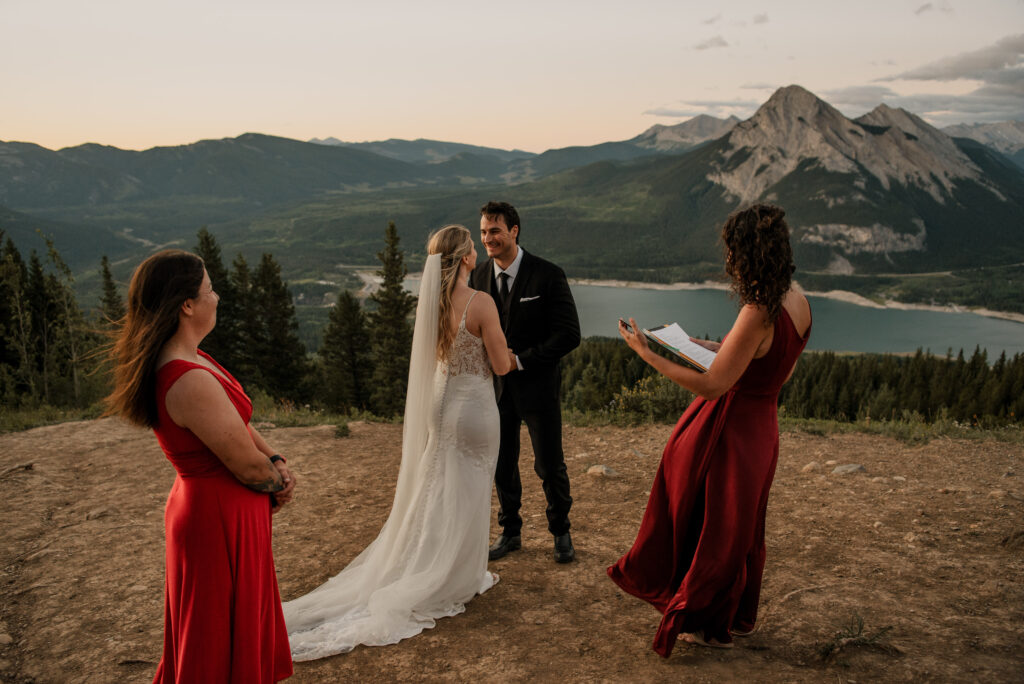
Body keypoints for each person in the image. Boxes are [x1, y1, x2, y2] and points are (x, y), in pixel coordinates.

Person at [283, 224, 513, 661]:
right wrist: (519, 356)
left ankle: (436, 562)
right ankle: (457, 574)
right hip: (474, 409)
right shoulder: (480, 302)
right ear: (466, 258)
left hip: (441, 406)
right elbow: (500, 366)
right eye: (472, 248)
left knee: (439, 487)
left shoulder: (433, 303)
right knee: (470, 487)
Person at [608, 204, 811, 657]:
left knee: (712, 525)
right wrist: (699, 345)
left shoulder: (759, 310)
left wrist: (647, 354)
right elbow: (766, 362)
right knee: (739, 526)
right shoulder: (796, 299)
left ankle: (705, 619)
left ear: (746, 254)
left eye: (732, 253)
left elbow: (713, 384)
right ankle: (734, 615)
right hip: (763, 429)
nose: (730, 263)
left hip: (730, 433)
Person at [105, 249, 296, 683]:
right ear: (187, 304)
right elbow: (246, 467)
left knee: (228, 626)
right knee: (213, 636)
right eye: (210, 289)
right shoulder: (187, 377)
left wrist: (277, 461)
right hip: (216, 517)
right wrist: (276, 481)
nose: (218, 296)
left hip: (224, 510)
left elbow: (239, 425)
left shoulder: (194, 357)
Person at [469, 201, 581, 564]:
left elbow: (568, 334)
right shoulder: (478, 276)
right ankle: (510, 531)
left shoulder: (547, 274)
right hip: (494, 390)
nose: (488, 238)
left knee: (549, 463)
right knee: (503, 463)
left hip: (538, 388)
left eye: (495, 231)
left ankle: (561, 531)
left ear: (514, 231)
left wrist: (521, 360)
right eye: (484, 232)